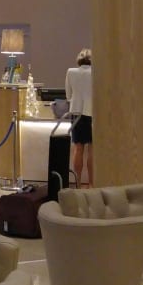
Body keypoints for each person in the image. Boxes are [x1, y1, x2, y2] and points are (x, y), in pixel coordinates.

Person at [65, 47, 94, 186]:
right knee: (92, 149)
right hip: (92, 112)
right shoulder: (95, 73)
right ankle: (92, 183)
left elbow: (68, 95)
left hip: (76, 113)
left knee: (78, 148)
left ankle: (77, 183)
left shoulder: (71, 72)